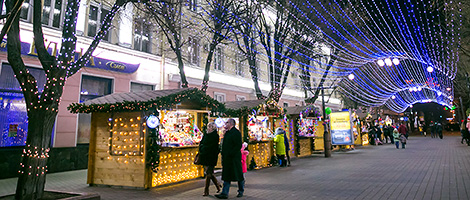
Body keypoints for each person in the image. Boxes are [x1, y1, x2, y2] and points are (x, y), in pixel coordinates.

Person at [216, 119, 244, 199]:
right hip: (227, 158)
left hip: (234, 158)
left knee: (238, 175)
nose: (225, 124)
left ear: (231, 124)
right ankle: (224, 193)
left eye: (227, 122)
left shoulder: (236, 133)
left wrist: (231, 153)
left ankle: (241, 191)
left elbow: (238, 145)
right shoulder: (227, 133)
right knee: (227, 176)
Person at [199, 122, 221, 196]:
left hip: (211, 156)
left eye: (210, 127)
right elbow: (201, 143)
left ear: (213, 128)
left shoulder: (215, 136)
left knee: (208, 173)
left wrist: (205, 148)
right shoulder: (206, 135)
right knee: (210, 173)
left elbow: (213, 147)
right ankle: (218, 186)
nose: (208, 128)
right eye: (208, 126)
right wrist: (202, 149)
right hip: (205, 156)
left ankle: (206, 190)